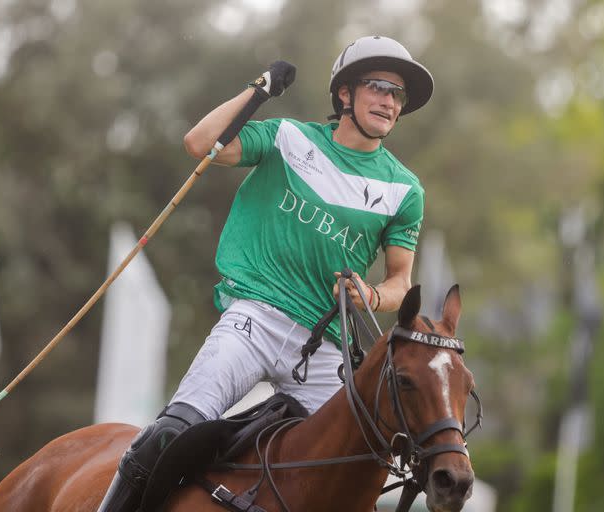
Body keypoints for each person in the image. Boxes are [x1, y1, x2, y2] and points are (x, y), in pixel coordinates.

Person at [97, 35, 434, 512]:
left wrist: (373, 295)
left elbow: (401, 282)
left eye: (397, 94)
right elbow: (198, 143)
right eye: (378, 86)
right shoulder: (287, 138)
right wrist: (259, 90)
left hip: (324, 346)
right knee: (170, 433)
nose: (388, 100)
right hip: (254, 320)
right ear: (345, 95)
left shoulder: (404, 189)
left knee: (360, 467)